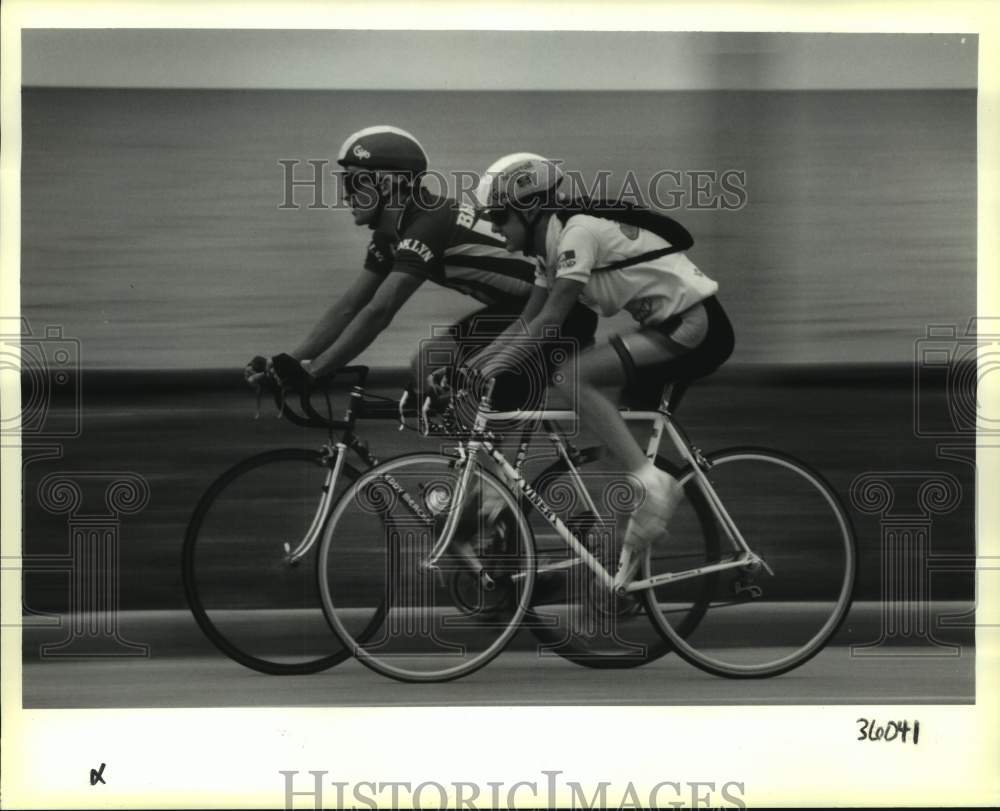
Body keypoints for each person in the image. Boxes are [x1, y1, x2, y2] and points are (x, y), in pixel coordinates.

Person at [473, 153, 735, 588]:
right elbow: (526, 322)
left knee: (573, 378)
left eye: (500, 216)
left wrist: (491, 370)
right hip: (672, 325)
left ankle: (653, 485)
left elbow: (551, 320)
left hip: (695, 326)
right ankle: (625, 577)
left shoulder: (578, 234)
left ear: (532, 208)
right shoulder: (549, 249)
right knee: (617, 441)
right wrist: (478, 367)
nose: (494, 226)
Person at [247, 126, 596, 409]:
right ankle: (477, 480)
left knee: (452, 384)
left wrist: (316, 372)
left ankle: (490, 492)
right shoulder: (392, 235)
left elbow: (379, 311)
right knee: (427, 370)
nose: (344, 195)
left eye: (353, 182)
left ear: (389, 182)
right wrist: (289, 363)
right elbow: (349, 307)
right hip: (520, 309)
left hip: (558, 313)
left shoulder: (428, 224)